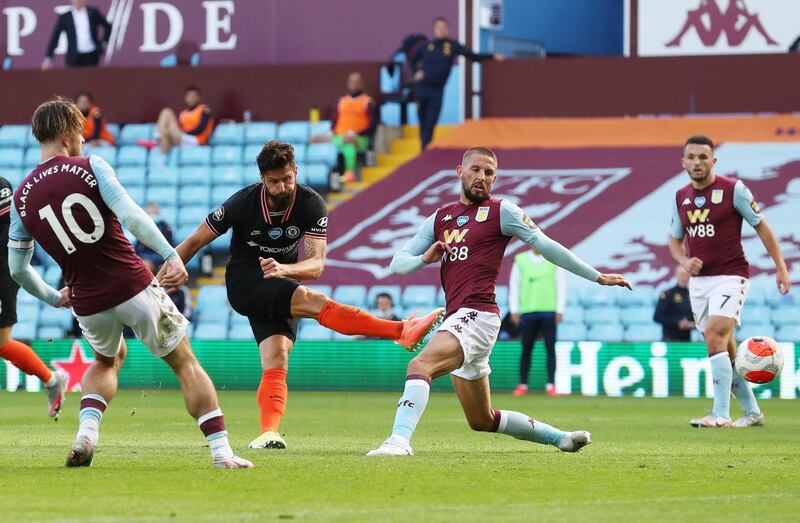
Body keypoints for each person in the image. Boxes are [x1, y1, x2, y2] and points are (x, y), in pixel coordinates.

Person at [9, 97, 252, 469]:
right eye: (80, 133)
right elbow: (132, 217)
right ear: (67, 133)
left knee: (108, 360)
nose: (83, 141)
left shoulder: (22, 197)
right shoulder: (91, 166)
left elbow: (18, 269)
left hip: (87, 301)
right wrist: (170, 254)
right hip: (132, 284)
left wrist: (55, 297)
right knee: (185, 363)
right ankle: (222, 453)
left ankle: (86, 435)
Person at [161, 140, 445, 451]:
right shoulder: (242, 203)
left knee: (277, 358)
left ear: (296, 171)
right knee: (314, 303)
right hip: (245, 280)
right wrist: (156, 282)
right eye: (273, 181)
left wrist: (284, 269)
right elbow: (193, 242)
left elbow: (317, 264)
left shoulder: (311, 204)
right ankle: (400, 330)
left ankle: (268, 432)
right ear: (262, 180)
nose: (281, 187)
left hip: (281, 277)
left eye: (286, 179)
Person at [367, 147, 632, 457]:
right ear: (460, 172)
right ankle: (560, 438)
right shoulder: (441, 217)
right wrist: (425, 259)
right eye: (476, 170)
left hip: (478, 314)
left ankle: (399, 441)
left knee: (420, 365)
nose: (482, 177)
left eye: (489, 172)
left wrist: (596, 276)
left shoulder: (502, 211)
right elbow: (397, 263)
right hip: (461, 316)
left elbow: (545, 245)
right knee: (482, 419)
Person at [668, 134, 791, 428]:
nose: (697, 162)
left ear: (714, 160)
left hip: (731, 276)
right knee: (725, 348)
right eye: (692, 157)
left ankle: (719, 414)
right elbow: (674, 241)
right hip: (700, 283)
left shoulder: (734, 190)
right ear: (683, 161)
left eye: (703, 157)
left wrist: (781, 267)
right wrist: (685, 261)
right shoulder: (680, 197)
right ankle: (753, 413)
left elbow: (762, 226)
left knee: (714, 336)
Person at [0, 176, 69, 417]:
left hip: (2, 271)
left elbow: (8, 231)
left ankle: (51, 380)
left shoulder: (0, 186)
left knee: (3, 342)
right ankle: (52, 381)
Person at [411, 18, 503, 150]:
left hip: (437, 90)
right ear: (434, 30)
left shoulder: (452, 46)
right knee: (422, 122)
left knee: (431, 121)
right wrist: (416, 72)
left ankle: (425, 148)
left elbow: (472, 56)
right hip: (421, 89)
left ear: (448, 29)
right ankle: (424, 149)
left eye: (444, 27)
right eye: (438, 27)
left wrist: (492, 56)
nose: (441, 30)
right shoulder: (426, 47)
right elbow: (412, 61)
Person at [508, 247, 565, 397]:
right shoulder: (520, 259)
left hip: (549, 310)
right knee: (526, 349)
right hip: (528, 311)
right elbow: (514, 286)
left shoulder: (553, 258)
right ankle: (523, 385)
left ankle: (551, 385)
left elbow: (561, 284)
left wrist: (560, 309)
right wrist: (514, 309)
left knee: (550, 349)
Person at [311, 72, 378, 183]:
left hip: (359, 138)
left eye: (356, 82)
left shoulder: (367, 101)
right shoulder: (342, 101)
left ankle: (349, 172)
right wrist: (331, 132)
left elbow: (373, 125)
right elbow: (336, 121)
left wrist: (358, 134)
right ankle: (328, 174)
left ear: (361, 84)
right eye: (351, 82)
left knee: (348, 140)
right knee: (314, 139)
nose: (354, 85)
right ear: (348, 83)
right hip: (341, 136)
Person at [143, 86, 214, 155]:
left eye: (193, 96)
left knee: (167, 114)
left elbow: (201, 128)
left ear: (199, 98)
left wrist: (184, 133)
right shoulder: (183, 113)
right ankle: (162, 160)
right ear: (185, 98)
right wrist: (180, 133)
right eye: (189, 96)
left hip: (196, 140)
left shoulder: (205, 109)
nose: (191, 98)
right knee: (165, 118)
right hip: (183, 139)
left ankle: (156, 141)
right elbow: (178, 127)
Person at [42, 0, 111, 70]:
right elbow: (55, 37)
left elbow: (107, 26)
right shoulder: (65, 17)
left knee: (91, 79)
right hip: (73, 56)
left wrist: (104, 42)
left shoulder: (93, 13)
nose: (78, 1)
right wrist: (48, 57)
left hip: (91, 55)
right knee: (72, 79)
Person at [653, 266, 694, 342]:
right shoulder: (668, 294)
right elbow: (657, 317)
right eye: (682, 274)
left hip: (687, 341)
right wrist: (677, 323)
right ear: (676, 275)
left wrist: (691, 324)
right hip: (670, 339)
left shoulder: (693, 295)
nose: (684, 277)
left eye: (686, 274)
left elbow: (695, 318)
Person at [135, 203, 174, 269]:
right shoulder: (141, 226)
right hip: (144, 255)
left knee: (146, 264)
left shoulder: (165, 227)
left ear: (158, 213)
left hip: (160, 256)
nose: (152, 215)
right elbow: (138, 247)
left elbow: (169, 246)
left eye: (154, 213)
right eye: (150, 213)